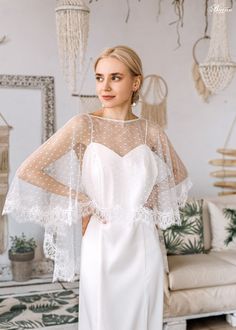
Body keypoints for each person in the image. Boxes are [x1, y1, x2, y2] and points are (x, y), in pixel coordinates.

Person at [3, 45, 192, 330]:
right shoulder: (84, 125)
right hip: (101, 240)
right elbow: (29, 170)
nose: (105, 86)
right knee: (102, 318)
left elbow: (179, 173)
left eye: (115, 77)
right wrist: (84, 200)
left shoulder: (150, 131)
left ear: (135, 82)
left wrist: (150, 198)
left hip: (141, 241)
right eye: (99, 77)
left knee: (142, 317)